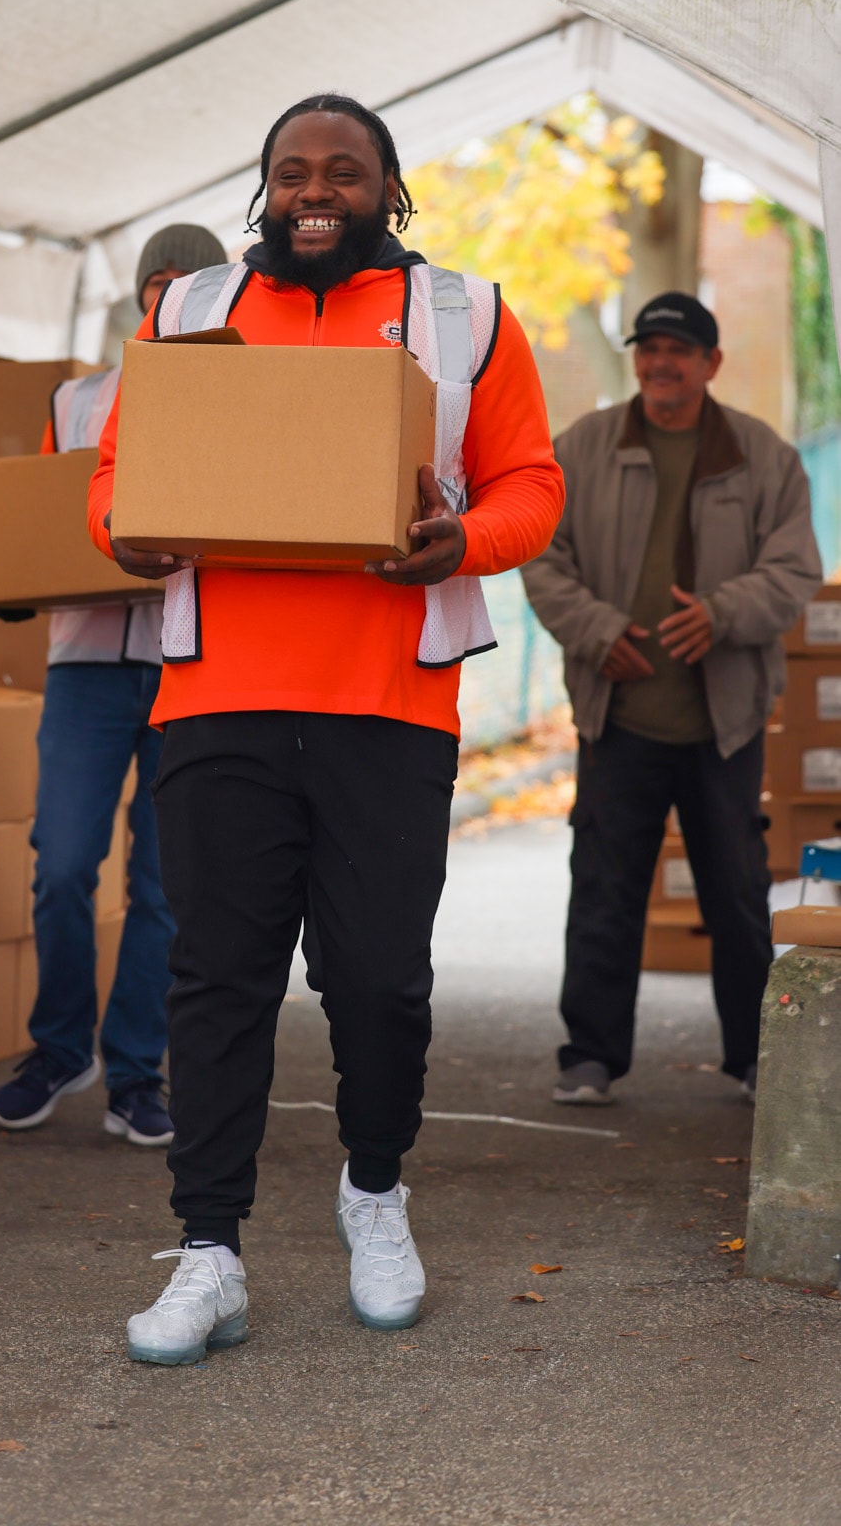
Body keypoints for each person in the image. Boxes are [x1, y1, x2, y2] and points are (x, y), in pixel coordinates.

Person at [89, 95, 565, 1363]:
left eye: (343, 171)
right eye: (291, 171)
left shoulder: (464, 315)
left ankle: (374, 1188)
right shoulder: (188, 310)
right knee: (217, 977)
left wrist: (463, 538)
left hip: (388, 702)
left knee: (377, 976)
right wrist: (123, 532)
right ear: (263, 191)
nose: (315, 191)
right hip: (218, 697)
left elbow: (532, 482)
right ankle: (209, 1249)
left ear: (388, 189)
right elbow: (114, 476)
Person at [522, 292, 821, 1107]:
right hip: (617, 715)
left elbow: (795, 568)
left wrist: (722, 614)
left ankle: (756, 1058)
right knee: (604, 892)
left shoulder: (763, 456)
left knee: (737, 896)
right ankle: (589, 1058)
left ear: (710, 363)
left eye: (678, 351)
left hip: (724, 724)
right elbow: (540, 554)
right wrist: (596, 631)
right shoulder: (582, 448)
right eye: (648, 349)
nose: (661, 364)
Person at [0, 225, 228, 1146]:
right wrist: (20, 576)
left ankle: (135, 1072)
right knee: (61, 866)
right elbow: (54, 517)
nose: (169, 298)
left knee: (164, 885)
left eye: (191, 283)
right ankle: (59, 1049)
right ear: (139, 294)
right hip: (85, 664)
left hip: (188, 661)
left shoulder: (244, 399)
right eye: (158, 282)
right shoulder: (79, 398)